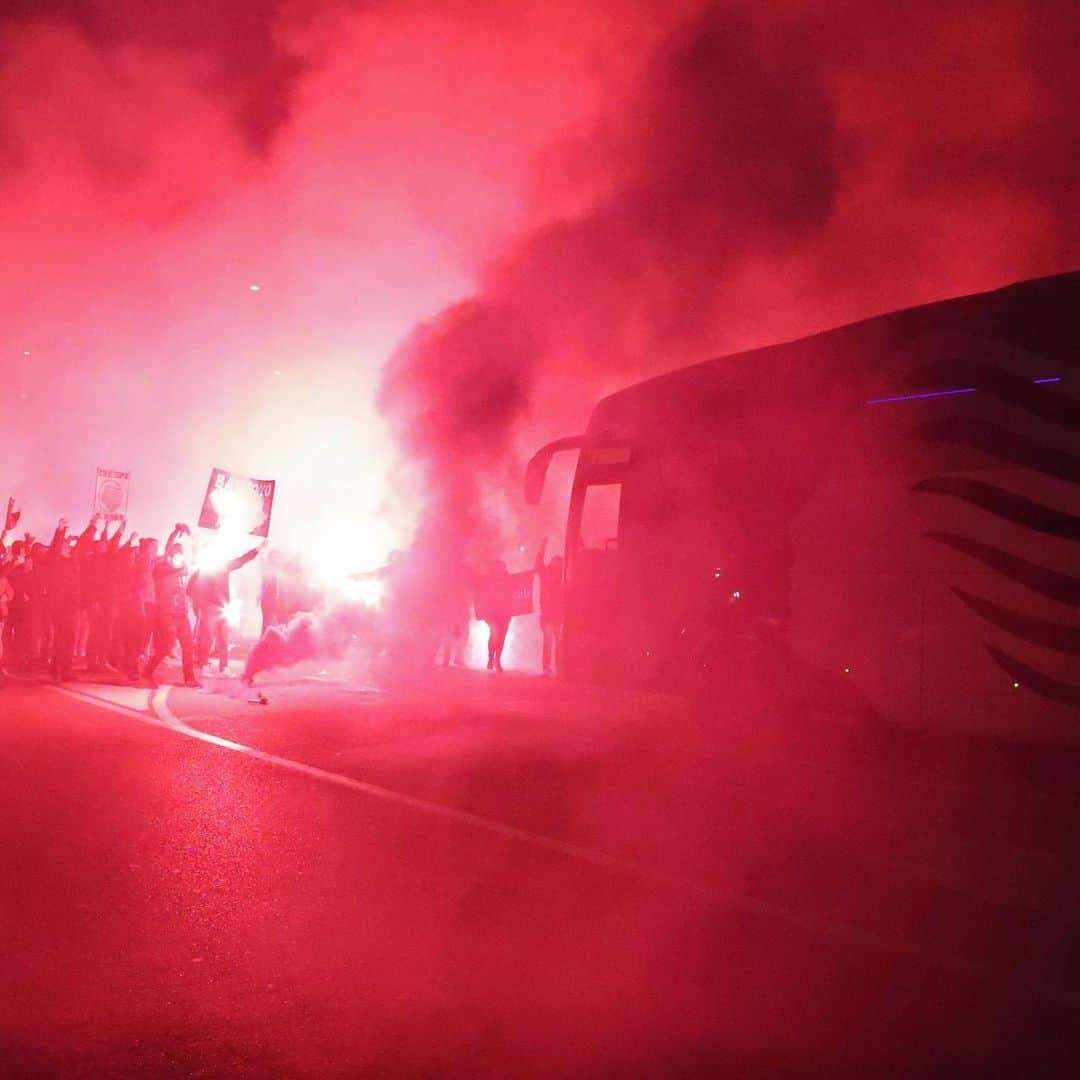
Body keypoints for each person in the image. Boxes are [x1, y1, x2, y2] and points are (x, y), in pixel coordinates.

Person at [189, 544, 261, 674]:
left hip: (222, 608)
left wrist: (256, 550)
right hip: (209, 609)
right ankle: (204, 665)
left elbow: (241, 560)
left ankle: (224, 667)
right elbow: (192, 589)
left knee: (223, 639)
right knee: (208, 638)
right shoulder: (203, 571)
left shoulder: (224, 566)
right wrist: (198, 607)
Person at [143, 523, 200, 689]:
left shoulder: (181, 569)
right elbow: (169, 550)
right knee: (165, 647)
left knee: (188, 646)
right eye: (176, 556)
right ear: (169, 557)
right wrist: (175, 532)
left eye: (180, 557)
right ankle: (148, 670)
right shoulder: (161, 569)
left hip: (181, 613)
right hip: (167, 614)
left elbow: (188, 566)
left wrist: (195, 549)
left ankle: (189, 678)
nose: (179, 559)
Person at [474, 560, 513, 672]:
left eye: (502, 568)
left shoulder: (509, 580)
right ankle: (491, 658)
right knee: (495, 632)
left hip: (505, 613)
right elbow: (480, 592)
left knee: (501, 637)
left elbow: (515, 592)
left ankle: (497, 660)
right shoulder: (487, 580)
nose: (500, 570)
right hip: (491, 613)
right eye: (498, 568)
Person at [534, 538, 565, 676]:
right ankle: (549, 667)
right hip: (548, 614)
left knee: (557, 641)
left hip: (557, 614)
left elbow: (539, 563)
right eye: (556, 563)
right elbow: (539, 562)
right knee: (551, 640)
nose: (557, 565)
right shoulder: (547, 574)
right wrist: (542, 546)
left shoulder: (563, 578)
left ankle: (556, 667)